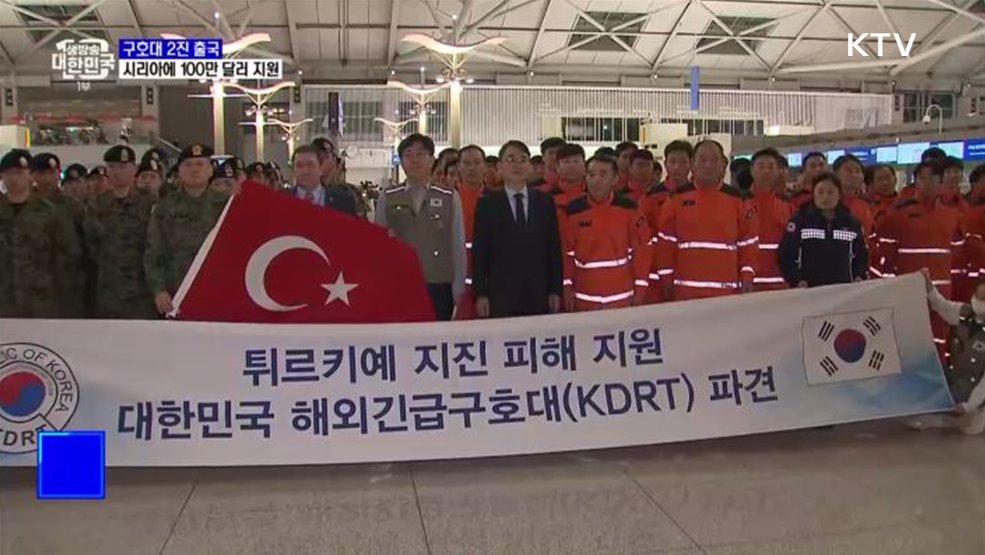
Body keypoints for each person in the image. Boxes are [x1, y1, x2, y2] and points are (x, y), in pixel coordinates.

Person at [873, 161, 966, 359]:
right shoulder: (898, 214)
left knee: (939, 341)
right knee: (908, 342)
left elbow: (957, 257)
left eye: (932, 178)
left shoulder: (951, 215)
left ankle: (939, 382)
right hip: (908, 290)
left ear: (941, 182)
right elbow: (886, 257)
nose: (926, 183)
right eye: (922, 178)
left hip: (942, 294)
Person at [374, 133, 466, 321]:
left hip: (438, 281)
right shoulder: (388, 195)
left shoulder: (448, 196)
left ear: (432, 160)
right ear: (401, 161)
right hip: (400, 282)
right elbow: (378, 243)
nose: (414, 160)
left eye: (420, 154)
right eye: (408, 155)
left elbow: (457, 242)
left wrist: (458, 286)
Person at [656, 139, 758, 301]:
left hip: (726, 294)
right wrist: (667, 280)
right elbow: (665, 243)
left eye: (714, 160)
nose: (708, 165)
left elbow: (748, 242)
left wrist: (747, 274)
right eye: (702, 160)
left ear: (723, 165)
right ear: (693, 165)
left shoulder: (739, 200)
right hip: (685, 294)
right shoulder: (676, 199)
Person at [472, 141, 562, 318]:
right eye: (511, 159)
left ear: (529, 166)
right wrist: (481, 294)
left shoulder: (545, 201)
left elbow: (553, 249)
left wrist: (555, 290)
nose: (517, 165)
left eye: (523, 160)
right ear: (500, 166)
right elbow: (480, 252)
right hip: (501, 294)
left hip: (538, 292)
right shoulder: (487, 203)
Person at [145, 144, 230, 316]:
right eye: (188, 165)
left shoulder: (227, 205)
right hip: (176, 293)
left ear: (211, 170)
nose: (194, 169)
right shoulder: (165, 207)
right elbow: (154, 251)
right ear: (180, 170)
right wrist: (159, 290)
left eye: (200, 164)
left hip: (217, 292)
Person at [562, 155, 650, 312]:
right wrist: (567, 286)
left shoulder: (629, 209)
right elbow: (566, 254)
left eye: (603, 174)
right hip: (584, 299)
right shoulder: (573, 212)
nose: (596, 180)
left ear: (615, 179)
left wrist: (640, 290)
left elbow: (642, 252)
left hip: (622, 298)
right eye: (591, 174)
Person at [0, 149, 80, 318]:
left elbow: (66, 258)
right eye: (8, 173)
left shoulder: (51, 213)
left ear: (30, 175)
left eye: (19, 173)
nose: (13, 178)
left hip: (41, 303)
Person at [85, 144, 157, 319]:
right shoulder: (96, 205)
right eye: (112, 167)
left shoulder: (150, 204)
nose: (117, 172)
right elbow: (90, 246)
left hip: (142, 293)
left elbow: (156, 248)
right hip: (107, 293)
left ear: (135, 169)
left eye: (123, 166)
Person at [921, 269, 985, 435]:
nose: (979, 302)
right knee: (924, 367)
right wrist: (927, 284)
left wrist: (968, 406)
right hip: (955, 377)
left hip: (973, 391)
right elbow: (940, 305)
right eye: (978, 296)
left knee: (938, 404)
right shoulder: (964, 313)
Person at [779, 173, 868, 288]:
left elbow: (861, 254)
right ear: (813, 194)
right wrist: (796, 279)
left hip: (844, 289)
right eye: (820, 192)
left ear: (839, 195)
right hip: (808, 289)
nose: (825, 197)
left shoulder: (851, 223)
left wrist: (859, 276)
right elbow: (787, 254)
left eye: (831, 192)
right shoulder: (800, 221)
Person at [31, 152, 86, 316]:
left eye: (52, 173)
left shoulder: (74, 207)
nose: (48, 179)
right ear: (32, 175)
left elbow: (86, 246)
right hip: (30, 289)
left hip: (67, 287)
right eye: (42, 173)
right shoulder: (24, 205)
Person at [641, 140, 693, 302]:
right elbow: (641, 234)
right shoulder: (651, 196)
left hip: (689, 269)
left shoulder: (698, 194)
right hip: (656, 273)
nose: (677, 167)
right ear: (665, 164)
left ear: (691, 164)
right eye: (673, 161)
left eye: (683, 162)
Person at [749, 149, 792, 291]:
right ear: (752, 171)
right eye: (761, 167)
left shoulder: (789, 205)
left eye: (771, 167)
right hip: (747, 285)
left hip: (780, 286)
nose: (766, 171)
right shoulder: (738, 203)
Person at [453, 145, 488, 320]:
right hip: (457, 284)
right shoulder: (449, 199)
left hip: (489, 285)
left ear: (485, 167)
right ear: (458, 167)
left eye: (476, 163)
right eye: (466, 163)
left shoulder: (496, 200)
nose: (472, 168)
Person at [288, 145, 358, 215]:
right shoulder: (281, 200)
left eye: (310, 165)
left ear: (321, 168)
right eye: (299, 166)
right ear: (293, 170)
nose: (305, 171)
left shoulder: (343, 201)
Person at [312, 138, 366, 218]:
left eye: (325, 157)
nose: (321, 161)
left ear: (334, 161)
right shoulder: (305, 192)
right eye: (318, 157)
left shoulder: (348, 194)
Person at [832, 154, 874, 240]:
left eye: (858, 171)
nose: (854, 175)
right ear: (835, 174)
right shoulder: (827, 202)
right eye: (848, 170)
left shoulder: (865, 204)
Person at [547, 143, 587, 219]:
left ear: (584, 165)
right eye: (566, 162)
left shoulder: (595, 195)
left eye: (576, 161)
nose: (571, 166)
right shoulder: (547, 198)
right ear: (557, 167)